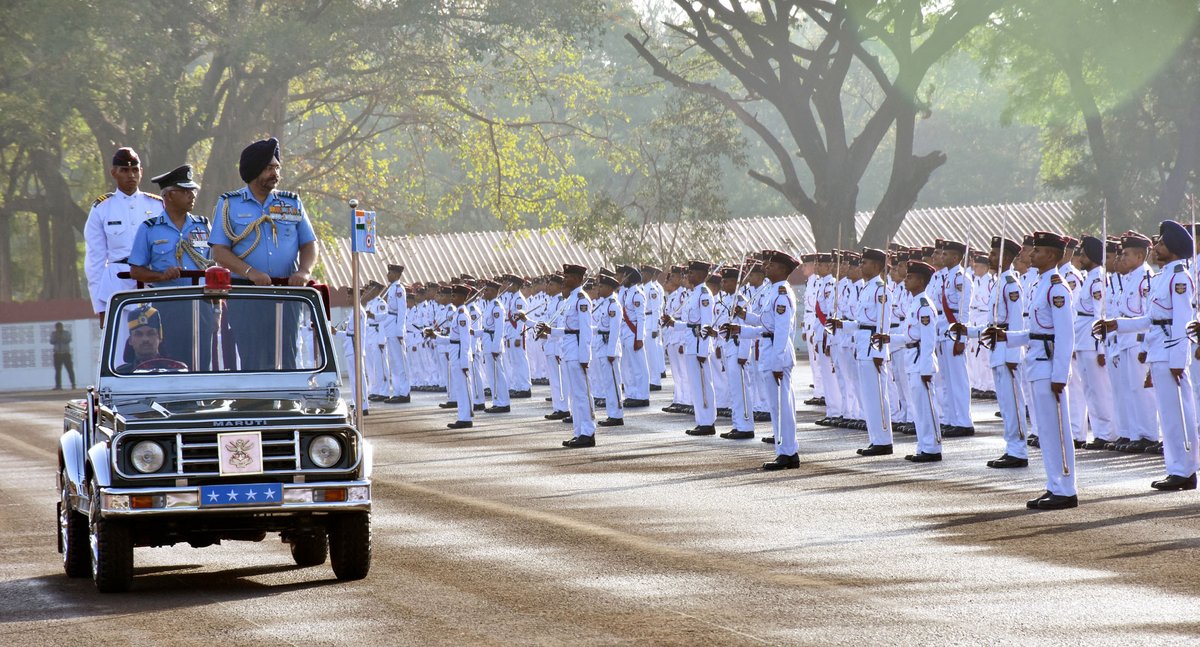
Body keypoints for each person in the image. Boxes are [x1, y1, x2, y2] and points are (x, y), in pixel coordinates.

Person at [1098, 221, 1199, 490]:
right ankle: (1176, 468)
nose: (1156, 248)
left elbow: (1181, 321)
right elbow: (1152, 318)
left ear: (1175, 250)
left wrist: (1179, 360)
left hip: (1170, 353)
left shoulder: (1179, 277)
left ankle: (1186, 470)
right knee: (1168, 414)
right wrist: (1118, 324)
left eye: (1162, 244)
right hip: (1158, 350)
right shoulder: (1163, 276)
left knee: (1179, 412)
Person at [985, 231, 1077, 510]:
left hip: (1049, 367)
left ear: (1050, 255)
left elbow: (1065, 335)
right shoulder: (1040, 284)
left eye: (1036, 251)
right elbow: (1036, 332)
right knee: (1046, 431)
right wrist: (1007, 338)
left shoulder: (1057, 288)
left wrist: (1061, 375)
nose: (1030, 255)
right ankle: (1054, 485)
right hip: (1037, 364)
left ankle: (1065, 489)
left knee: (1056, 429)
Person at [210, 137, 318, 370]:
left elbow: (309, 244)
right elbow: (219, 250)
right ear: (255, 170)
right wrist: (250, 272)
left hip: (286, 292)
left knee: (286, 354)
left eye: (277, 167)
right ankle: (258, 403)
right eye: (269, 168)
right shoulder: (229, 203)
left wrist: (304, 271)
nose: (275, 173)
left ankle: (288, 403)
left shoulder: (291, 203)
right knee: (253, 356)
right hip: (247, 293)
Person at [128, 164, 213, 368]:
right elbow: (136, 270)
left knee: (202, 360)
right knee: (171, 360)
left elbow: (213, 267)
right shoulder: (149, 229)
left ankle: (202, 398)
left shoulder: (203, 225)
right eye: (184, 191)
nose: (191, 195)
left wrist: (216, 311)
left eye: (192, 190)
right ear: (168, 195)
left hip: (200, 304)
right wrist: (161, 276)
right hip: (167, 305)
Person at [726, 250, 799, 470]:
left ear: (784, 270)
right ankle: (784, 451)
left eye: (772, 265)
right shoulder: (772, 292)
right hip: (769, 351)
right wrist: (742, 320)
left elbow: (782, 331)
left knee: (781, 407)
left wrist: (777, 363)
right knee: (777, 407)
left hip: (777, 355)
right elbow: (765, 324)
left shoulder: (782, 294)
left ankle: (787, 452)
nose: (766, 267)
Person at [84, 147, 163, 327]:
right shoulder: (102, 208)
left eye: (135, 170)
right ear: (114, 173)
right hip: (117, 287)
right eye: (124, 170)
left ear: (141, 172)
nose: (131, 175)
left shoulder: (157, 205)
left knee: (157, 347)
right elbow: (95, 262)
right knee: (120, 351)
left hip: (153, 282)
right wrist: (100, 307)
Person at [536, 264, 596, 447]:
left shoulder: (581, 299)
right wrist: (551, 331)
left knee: (582, 394)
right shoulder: (570, 300)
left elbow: (585, 331)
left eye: (568, 276)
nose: (565, 279)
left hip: (578, 352)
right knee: (574, 395)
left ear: (578, 279)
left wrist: (585, 358)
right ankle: (579, 432)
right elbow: (569, 330)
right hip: (569, 351)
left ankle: (588, 432)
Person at [890, 260, 942, 462]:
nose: (905, 279)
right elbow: (909, 336)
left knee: (926, 406)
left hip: (922, 360)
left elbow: (929, 340)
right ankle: (924, 446)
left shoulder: (924, 305)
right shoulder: (914, 303)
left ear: (921, 280)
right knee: (918, 407)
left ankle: (932, 448)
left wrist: (927, 366)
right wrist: (889, 339)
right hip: (912, 358)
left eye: (910, 277)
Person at [664, 260, 717, 436]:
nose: (689, 276)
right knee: (696, 385)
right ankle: (701, 420)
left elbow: (706, 324)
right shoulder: (693, 294)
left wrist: (703, 350)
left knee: (703, 384)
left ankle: (708, 422)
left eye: (692, 273)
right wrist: (673, 323)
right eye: (688, 273)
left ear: (703, 275)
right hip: (690, 344)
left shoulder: (704, 294)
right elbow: (689, 324)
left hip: (698, 346)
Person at [426, 284, 475, 428]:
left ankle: (465, 418)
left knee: (463, 387)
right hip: (456, 352)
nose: (452, 297)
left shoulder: (462, 316)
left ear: (462, 297)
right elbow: (452, 339)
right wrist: (436, 336)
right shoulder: (457, 314)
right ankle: (463, 416)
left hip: (460, 354)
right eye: (452, 295)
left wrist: (465, 362)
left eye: (454, 295)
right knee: (459, 387)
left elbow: (465, 340)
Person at [593, 272, 625, 426]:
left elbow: (615, 330)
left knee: (613, 381)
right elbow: (600, 326)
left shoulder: (613, 305)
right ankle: (611, 413)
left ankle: (617, 415)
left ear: (609, 288)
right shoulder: (604, 303)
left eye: (601, 286)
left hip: (609, 348)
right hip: (601, 345)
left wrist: (611, 351)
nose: (598, 288)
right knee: (607, 382)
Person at [116, 304, 187, 373]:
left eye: (151, 333)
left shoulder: (176, 370)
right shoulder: (121, 374)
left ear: (160, 337)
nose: (145, 339)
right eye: (139, 334)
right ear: (130, 340)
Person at [617, 266, 651, 407]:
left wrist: (639, 338)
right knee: (627, 366)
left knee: (638, 366)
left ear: (629, 278)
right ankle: (631, 394)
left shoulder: (637, 294)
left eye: (624, 276)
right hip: (624, 332)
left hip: (633, 332)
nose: (621, 278)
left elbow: (641, 317)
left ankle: (642, 395)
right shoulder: (625, 293)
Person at [384, 263, 411, 404]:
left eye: (390, 273)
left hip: (396, 326)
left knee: (400, 361)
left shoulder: (399, 289)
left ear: (397, 274)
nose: (387, 275)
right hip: (390, 325)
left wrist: (401, 330)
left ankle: (404, 392)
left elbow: (402, 310)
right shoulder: (392, 288)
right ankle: (397, 391)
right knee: (393, 361)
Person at [50, 322, 75, 390]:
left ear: (62, 327)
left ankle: (73, 384)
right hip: (57, 354)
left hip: (66, 354)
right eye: (57, 327)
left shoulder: (66, 333)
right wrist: (56, 336)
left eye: (60, 327)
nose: (59, 328)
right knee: (58, 371)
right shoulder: (54, 334)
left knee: (70, 370)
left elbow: (68, 340)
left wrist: (61, 337)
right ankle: (58, 386)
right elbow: (51, 341)